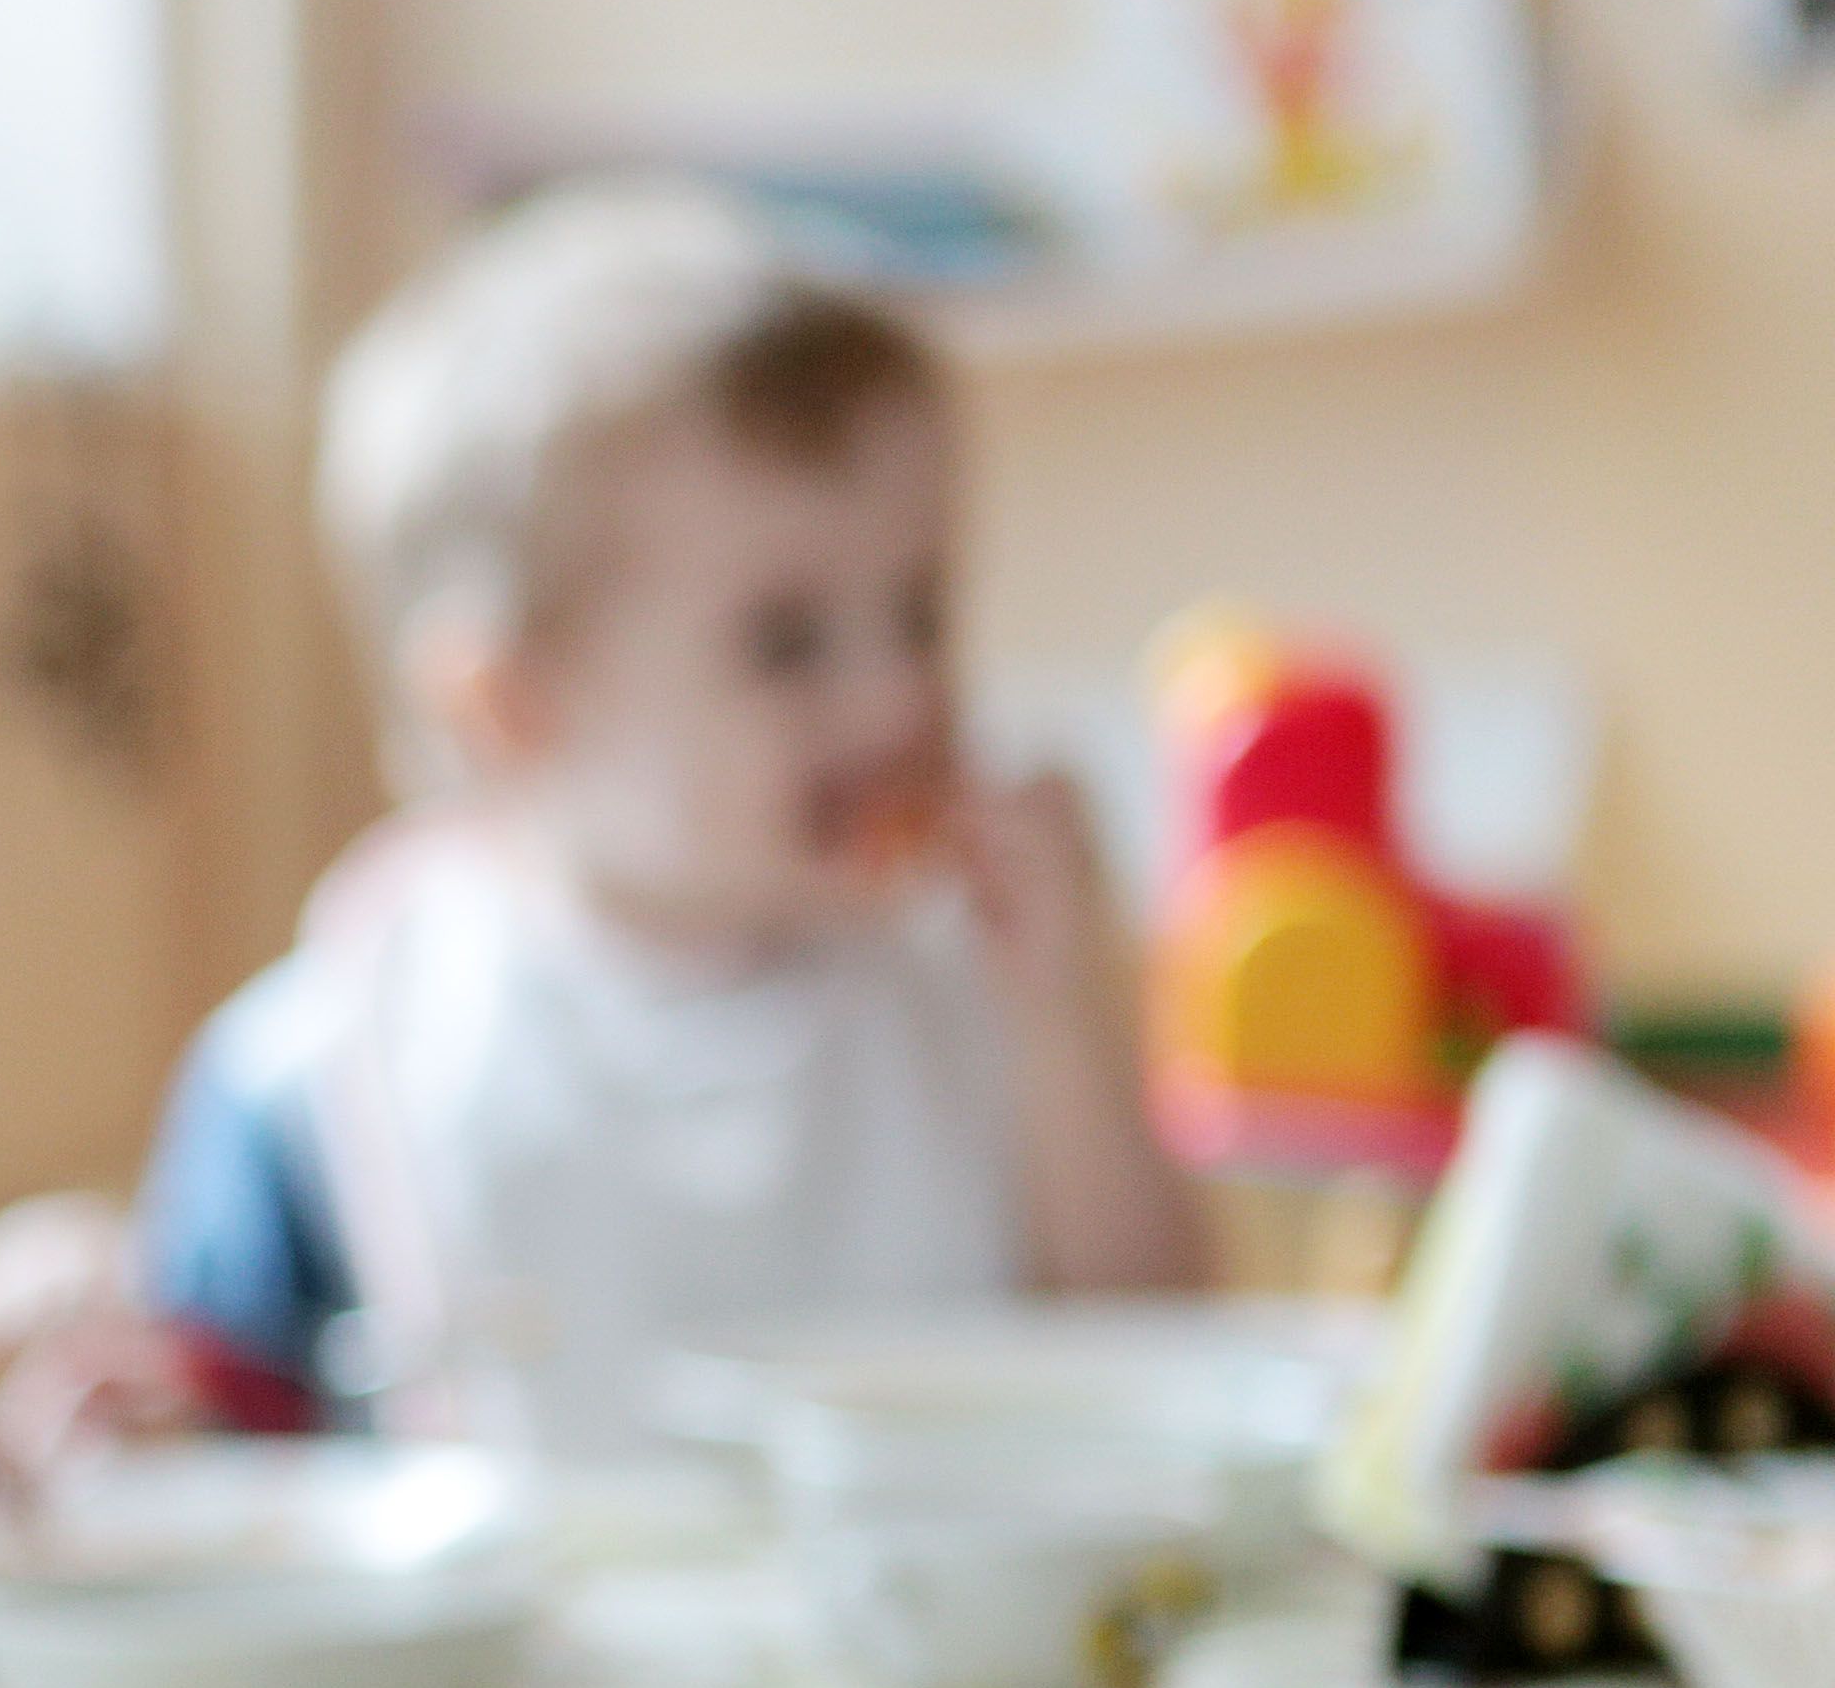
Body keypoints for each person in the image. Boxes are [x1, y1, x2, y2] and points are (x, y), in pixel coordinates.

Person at [134, 181, 1202, 1451]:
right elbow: (209, 1455)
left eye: (922, 613)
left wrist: (1065, 1029)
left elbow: (1164, 1365)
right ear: (515, 706)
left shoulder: (968, 986)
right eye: (788, 643)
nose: (899, 695)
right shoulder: (322, 1069)